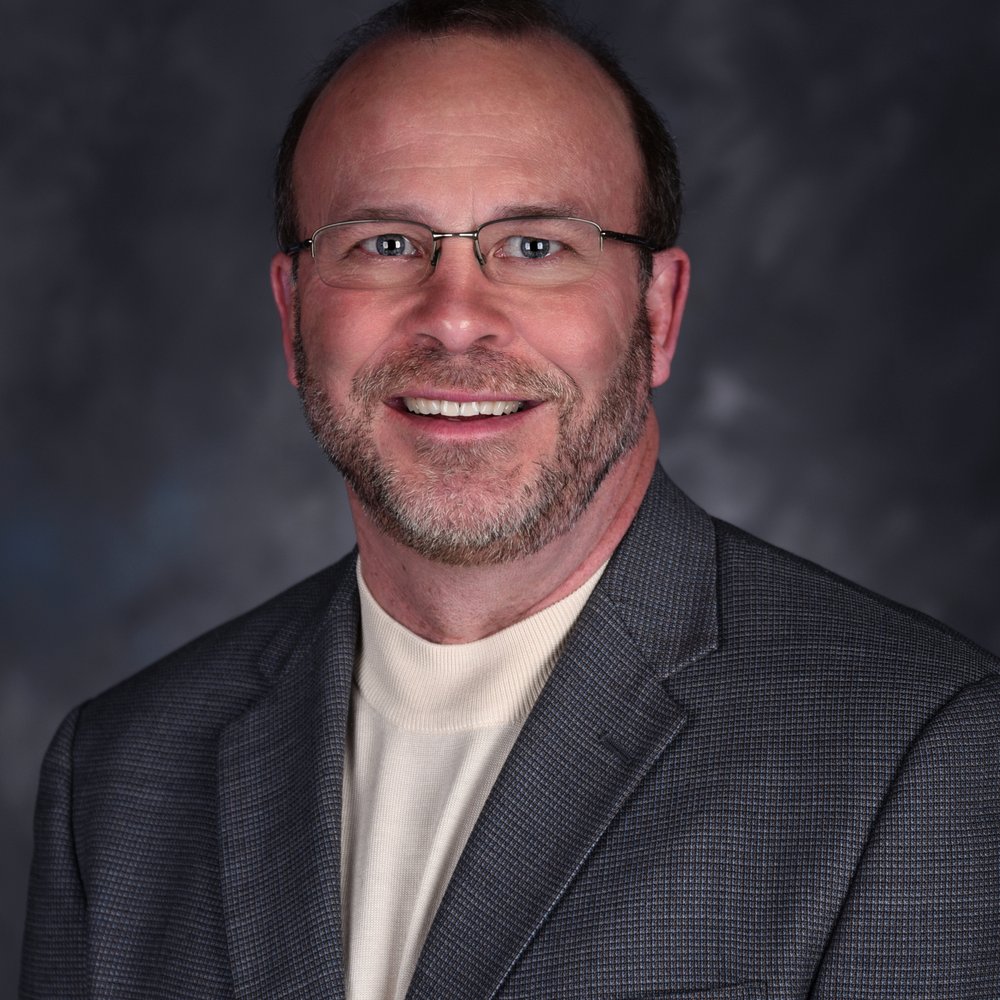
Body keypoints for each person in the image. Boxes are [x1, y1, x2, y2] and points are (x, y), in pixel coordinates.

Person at [20, 0, 1000, 997]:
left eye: (534, 246)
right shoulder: (120, 773)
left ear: (658, 314)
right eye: (385, 244)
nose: (454, 318)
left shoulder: (919, 753)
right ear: (292, 314)